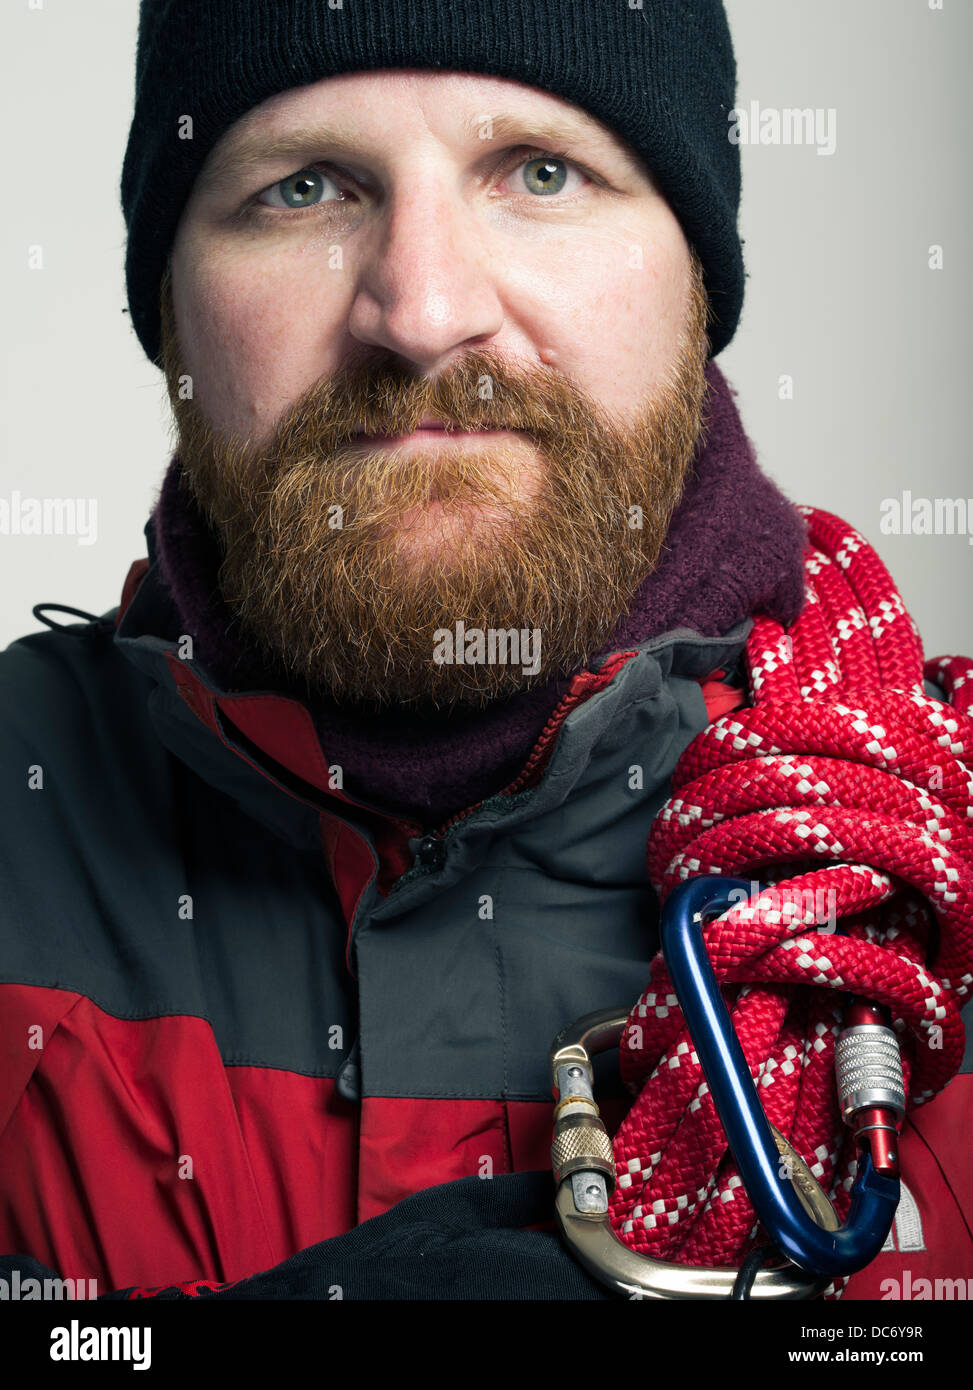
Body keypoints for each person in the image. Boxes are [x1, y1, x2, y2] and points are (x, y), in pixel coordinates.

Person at [0, 0, 969, 1303]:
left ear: (697, 271)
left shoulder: (933, 834)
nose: (421, 310)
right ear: (167, 301)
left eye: (541, 173)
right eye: (303, 187)